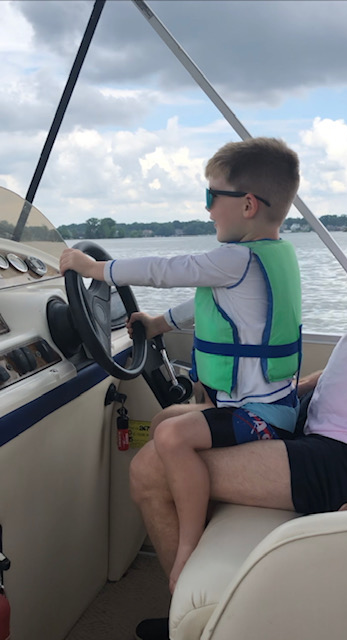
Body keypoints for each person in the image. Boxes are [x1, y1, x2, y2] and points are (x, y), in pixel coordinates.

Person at [128, 56, 347, 640]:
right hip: (325, 421)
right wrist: (299, 390)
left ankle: (193, 616)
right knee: (171, 418)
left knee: (152, 466)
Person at [59, 136, 302, 593]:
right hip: (270, 406)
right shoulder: (271, 255)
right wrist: (156, 323)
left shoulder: (236, 257)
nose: (208, 210)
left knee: (170, 435)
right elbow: (204, 304)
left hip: (259, 419)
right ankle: (200, 535)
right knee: (171, 416)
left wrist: (95, 270)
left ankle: (189, 544)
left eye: (212, 197)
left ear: (247, 204)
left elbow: (167, 269)